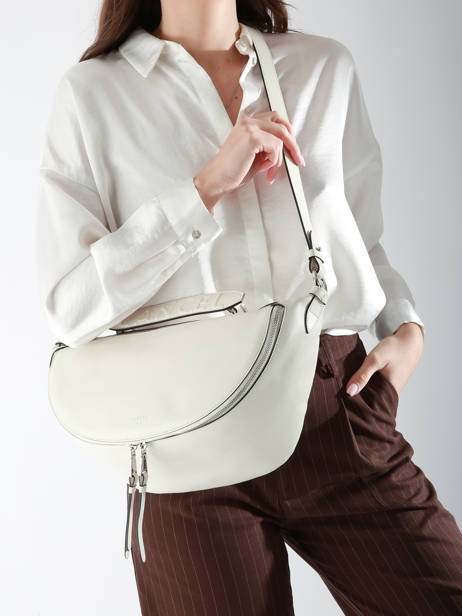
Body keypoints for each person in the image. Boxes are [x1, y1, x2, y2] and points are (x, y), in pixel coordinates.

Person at [35, 0, 462, 614]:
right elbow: (68, 305)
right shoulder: (92, 95)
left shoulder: (322, 68)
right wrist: (204, 189)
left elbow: (361, 238)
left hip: (334, 409)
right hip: (185, 437)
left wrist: (405, 326)